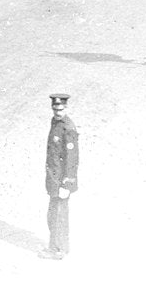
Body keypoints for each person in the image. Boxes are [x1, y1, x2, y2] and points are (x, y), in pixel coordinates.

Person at [43, 94, 80, 258]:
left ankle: (58, 250)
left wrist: (67, 184)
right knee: (53, 215)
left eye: (60, 109)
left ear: (66, 108)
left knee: (59, 216)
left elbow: (72, 159)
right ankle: (58, 247)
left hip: (62, 182)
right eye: (55, 109)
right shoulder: (55, 122)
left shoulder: (68, 128)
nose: (57, 112)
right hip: (54, 179)